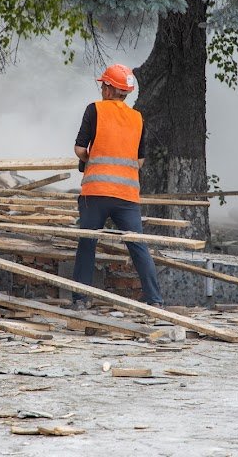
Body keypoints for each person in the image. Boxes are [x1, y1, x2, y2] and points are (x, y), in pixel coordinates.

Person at [70, 64, 163, 309]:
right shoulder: (137, 118)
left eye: (104, 85)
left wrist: (93, 159)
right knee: (138, 246)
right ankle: (155, 301)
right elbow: (140, 160)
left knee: (87, 243)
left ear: (111, 89)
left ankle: (80, 300)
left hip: (96, 193)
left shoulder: (95, 110)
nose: (101, 88)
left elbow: (80, 149)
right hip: (127, 196)